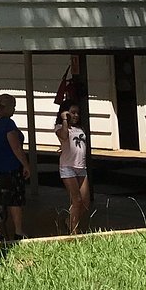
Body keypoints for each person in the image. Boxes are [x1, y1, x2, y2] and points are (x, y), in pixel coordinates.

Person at [0, 93, 30, 241]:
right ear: (6, 108)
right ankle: (18, 230)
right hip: (10, 165)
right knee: (14, 200)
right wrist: (26, 165)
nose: (14, 110)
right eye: (13, 107)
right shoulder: (8, 124)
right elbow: (16, 147)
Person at [55, 95, 91, 234]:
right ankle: (74, 229)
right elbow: (64, 136)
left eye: (77, 113)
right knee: (76, 199)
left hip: (81, 167)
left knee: (85, 202)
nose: (75, 115)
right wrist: (64, 120)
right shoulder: (60, 127)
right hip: (68, 167)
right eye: (72, 112)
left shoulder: (79, 128)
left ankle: (70, 220)